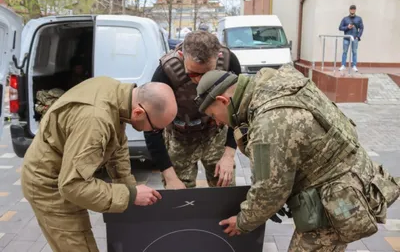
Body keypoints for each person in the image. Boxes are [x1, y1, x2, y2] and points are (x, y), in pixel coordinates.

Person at [194, 64, 400, 251]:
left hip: (337, 202)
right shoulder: (275, 81)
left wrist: (243, 221)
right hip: (354, 176)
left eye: (214, 116)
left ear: (223, 100)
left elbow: (270, 191)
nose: (218, 123)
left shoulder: (268, 125)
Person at [21, 76, 178, 252]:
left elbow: (117, 145)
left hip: (64, 172)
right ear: (138, 113)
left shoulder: (118, 95)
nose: (155, 132)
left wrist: (129, 186)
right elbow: (72, 186)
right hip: (47, 184)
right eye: (156, 128)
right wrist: (130, 195)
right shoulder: (95, 120)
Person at [144, 30, 242, 189]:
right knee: (179, 199)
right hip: (180, 138)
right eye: (193, 74)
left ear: (217, 58)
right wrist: (169, 177)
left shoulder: (229, 62)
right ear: (182, 56)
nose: (200, 81)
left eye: (208, 73)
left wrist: (229, 155)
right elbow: (150, 127)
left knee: (225, 192)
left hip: (216, 135)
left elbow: (238, 111)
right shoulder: (166, 72)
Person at [338, 5, 364, 72]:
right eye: (351, 9)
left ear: (355, 10)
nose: (352, 10)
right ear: (349, 10)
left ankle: (354, 66)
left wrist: (358, 36)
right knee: (344, 52)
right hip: (346, 38)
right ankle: (343, 65)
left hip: (354, 38)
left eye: (354, 9)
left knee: (354, 52)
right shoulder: (345, 19)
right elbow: (340, 27)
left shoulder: (359, 18)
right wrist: (347, 27)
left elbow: (361, 28)